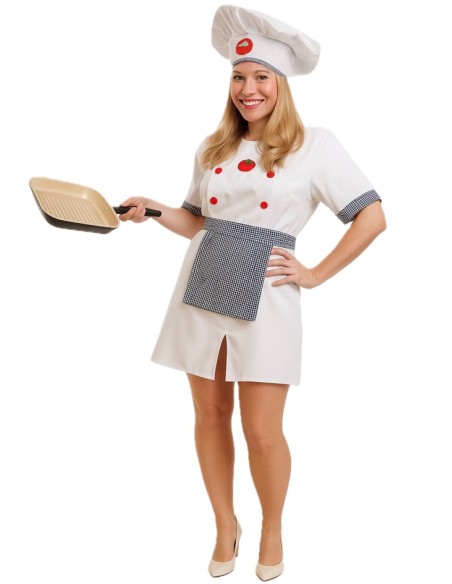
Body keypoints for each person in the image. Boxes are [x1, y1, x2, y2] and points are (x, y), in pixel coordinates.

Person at [119, 4, 386, 581]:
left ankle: (271, 527)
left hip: (267, 297)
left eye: (261, 76)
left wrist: (314, 274)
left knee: (262, 431)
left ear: (282, 83)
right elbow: (198, 220)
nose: (248, 90)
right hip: (201, 286)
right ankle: (224, 525)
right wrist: (153, 209)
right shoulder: (213, 146)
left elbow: (372, 217)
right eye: (239, 78)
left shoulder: (316, 144)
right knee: (209, 416)